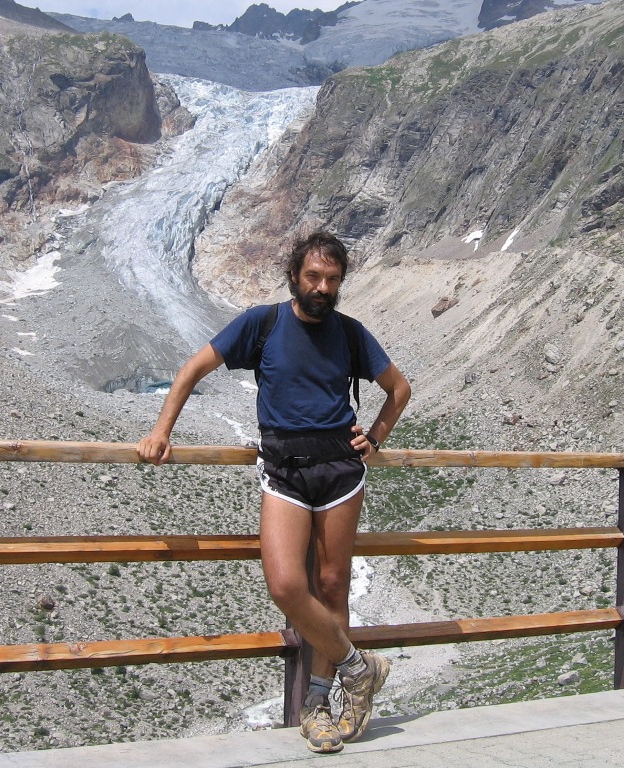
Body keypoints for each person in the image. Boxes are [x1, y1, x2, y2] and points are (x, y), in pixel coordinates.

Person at [137, 231, 411, 754]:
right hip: (283, 470)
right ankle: (360, 669)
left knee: (332, 584)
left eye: (332, 279)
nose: (323, 287)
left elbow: (399, 389)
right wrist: (161, 431)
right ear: (293, 276)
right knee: (286, 585)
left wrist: (375, 437)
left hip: (341, 468)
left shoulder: (351, 333)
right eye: (314, 276)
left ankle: (319, 705)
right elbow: (193, 369)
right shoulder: (262, 323)